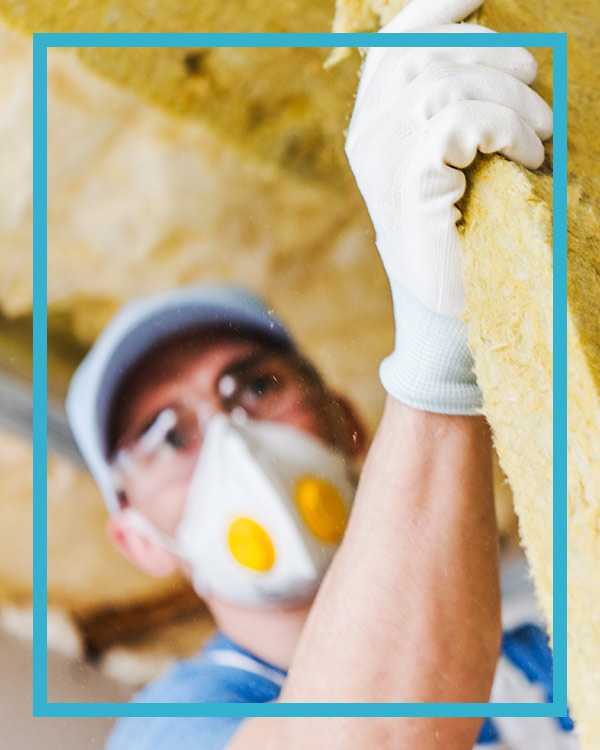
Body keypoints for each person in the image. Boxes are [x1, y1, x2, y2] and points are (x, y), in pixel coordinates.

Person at [67, 0, 575, 748]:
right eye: (166, 436)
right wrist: (441, 350)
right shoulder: (174, 724)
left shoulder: (541, 662)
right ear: (137, 539)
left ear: (350, 424)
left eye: (256, 386)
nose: (230, 436)